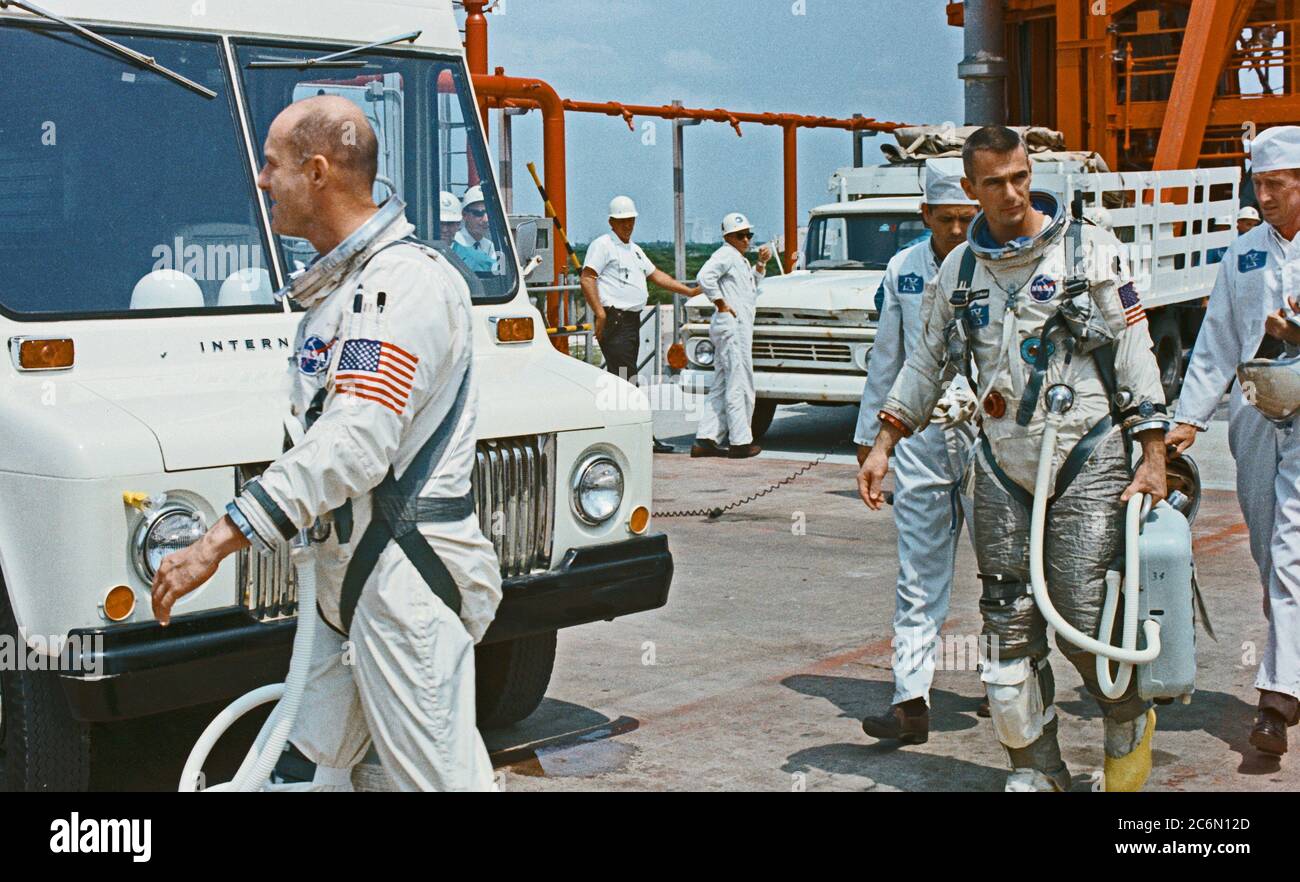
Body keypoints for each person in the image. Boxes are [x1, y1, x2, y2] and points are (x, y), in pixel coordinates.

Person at [150, 95, 502, 791]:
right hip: (352, 585)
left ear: (316, 172)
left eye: (271, 165)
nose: (260, 180)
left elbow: (356, 442)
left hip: (404, 585)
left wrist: (216, 541)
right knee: (308, 765)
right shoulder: (348, 293)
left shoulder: (399, 289)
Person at [858, 126, 1169, 792]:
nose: (1011, 192)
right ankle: (1036, 766)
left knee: (1083, 614)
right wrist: (884, 443)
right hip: (1002, 458)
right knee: (1005, 625)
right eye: (994, 182)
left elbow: (1135, 352)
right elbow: (926, 363)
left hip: (1085, 450)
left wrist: (1153, 452)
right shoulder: (960, 271)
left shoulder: (1089, 251)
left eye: (1020, 177)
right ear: (970, 189)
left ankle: (1125, 720)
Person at [1168, 124, 1300, 757]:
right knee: (1268, 551)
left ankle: (1276, 700)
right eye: (1260, 184)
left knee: (1290, 549)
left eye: (1277, 184)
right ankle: (1292, 663)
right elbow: (1217, 340)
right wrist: (1188, 419)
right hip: (1253, 414)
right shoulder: (1243, 253)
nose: (1265, 195)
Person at [856, 158, 980, 744]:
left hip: (990, 441)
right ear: (924, 214)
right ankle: (911, 698)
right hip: (921, 439)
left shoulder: (998, 262)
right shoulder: (903, 269)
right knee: (918, 575)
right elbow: (888, 356)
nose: (958, 230)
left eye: (967, 217)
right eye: (947, 219)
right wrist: (870, 440)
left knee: (1009, 574)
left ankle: (1017, 689)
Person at [581, 195, 699, 454]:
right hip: (615, 320)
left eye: (631, 220)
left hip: (631, 321)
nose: (627, 225)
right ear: (612, 222)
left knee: (622, 380)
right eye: (622, 221)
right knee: (627, 381)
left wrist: (688, 291)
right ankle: (640, 437)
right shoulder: (603, 245)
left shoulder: (633, 249)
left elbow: (656, 275)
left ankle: (623, 434)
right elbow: (587, 278)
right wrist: (599, 314)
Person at [691, 212, 771, 459]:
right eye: (741, 235)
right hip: (733, 327)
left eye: (749, 235)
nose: (746, 240)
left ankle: (706, 438)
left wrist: (760, 265)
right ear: (728, 237)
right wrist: (721, 303)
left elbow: (748, 288)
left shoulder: (739, 259)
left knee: (723, 383)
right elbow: (704, 277)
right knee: (740, 384)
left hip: (735, 327)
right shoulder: (726, 255)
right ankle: (740, 441)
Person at [453, 184, 500, 273]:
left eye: (489, 213)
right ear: (464, 215)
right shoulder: (453, 244)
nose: (486, 219)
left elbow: (501, 273)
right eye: (478, 213)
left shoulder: (491, 246)